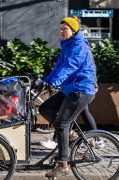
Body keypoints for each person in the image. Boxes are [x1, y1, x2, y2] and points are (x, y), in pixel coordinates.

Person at [36, 16, 97, 178]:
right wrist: (45, 81)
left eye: (65, 29)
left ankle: (63, 164)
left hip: (81, 89)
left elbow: (70, 67)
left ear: (74, 30)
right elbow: (59, 67)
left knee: (62, 124)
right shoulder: (67, 45)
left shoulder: (78, 46)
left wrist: (54, 82)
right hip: (70, 89)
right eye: (61, 29)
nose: (62, 32)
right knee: (45, 108)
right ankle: (70, 135)